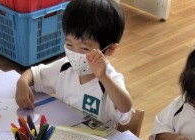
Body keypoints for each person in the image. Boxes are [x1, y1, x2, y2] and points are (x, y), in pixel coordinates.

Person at [15, 0, 133, 129]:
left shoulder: (110, 79)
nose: (75, 53)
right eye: (69, 44)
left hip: (97, 139)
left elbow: (125, 107)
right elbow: (34, 73)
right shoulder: (65, 66)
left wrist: (103, 77)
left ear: (110, 49)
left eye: (85, 49)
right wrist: (22, 83)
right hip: (64, 135)